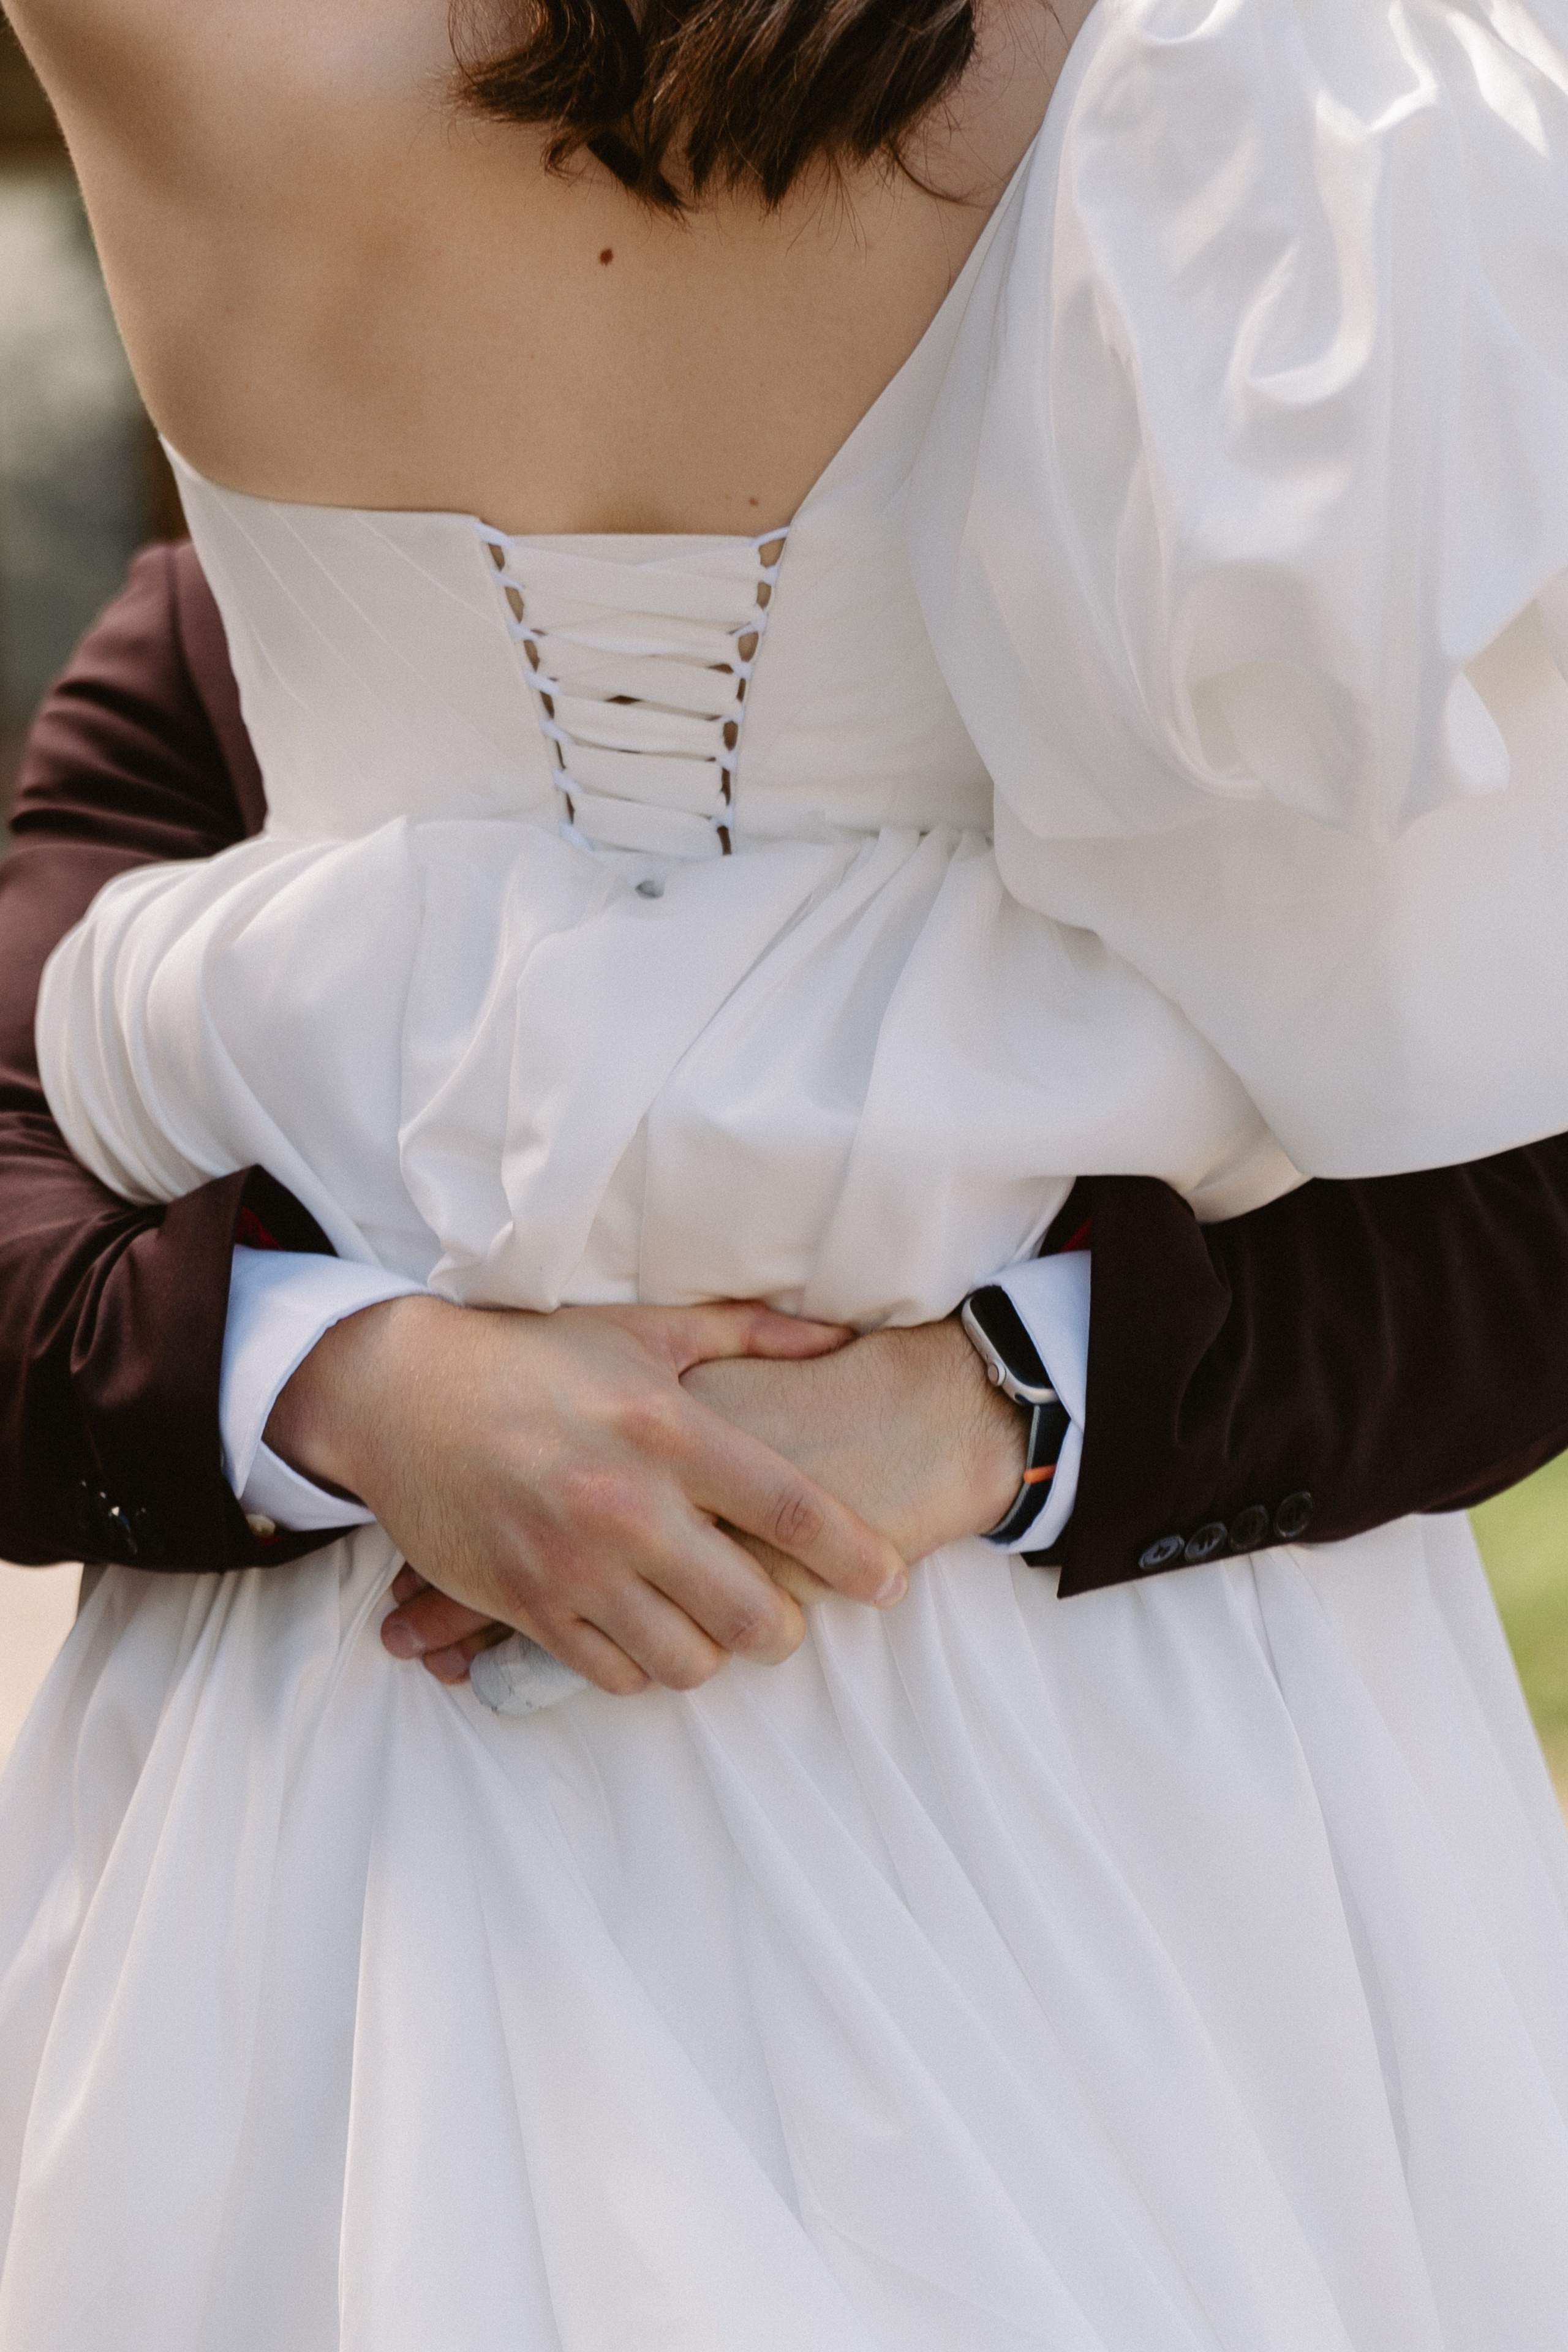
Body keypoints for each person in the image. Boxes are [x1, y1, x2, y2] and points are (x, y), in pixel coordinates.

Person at [3, 0, 1568, 2343]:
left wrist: (1005, 1410)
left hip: (350, 1776)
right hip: (1147, 1778)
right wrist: (357, 1388)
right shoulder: (1287, 127)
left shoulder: (182, 67)